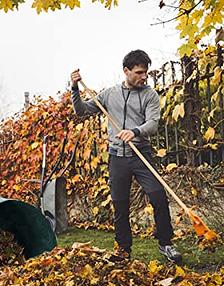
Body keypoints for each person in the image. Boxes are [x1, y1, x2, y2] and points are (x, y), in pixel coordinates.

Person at [71, 50, 182, 263]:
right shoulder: (109, 94)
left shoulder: (150, 95)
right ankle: (123, 249)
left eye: (145, 73)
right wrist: (75, 88)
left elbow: (152, 123)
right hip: (117, 157)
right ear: (126, 71)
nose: (144, 77)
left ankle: (166, 244)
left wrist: (135, 131)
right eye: (139, 72)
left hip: (141, 154)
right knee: (120, 203)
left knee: (158, 195)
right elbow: (81, 110)